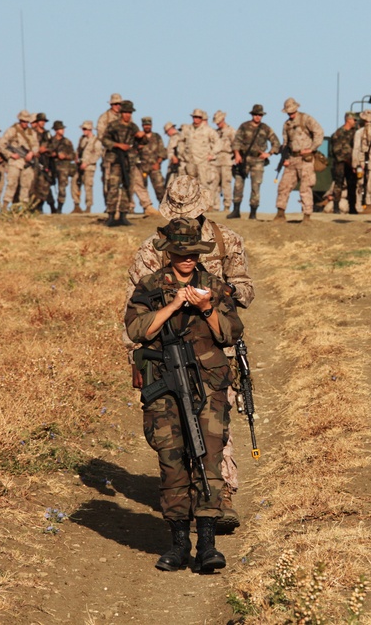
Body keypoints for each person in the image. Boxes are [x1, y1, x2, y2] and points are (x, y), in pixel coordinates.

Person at [124, 174, 255, 534]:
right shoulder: (152, 248)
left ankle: (220, 496)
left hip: (212, 345)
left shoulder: (227, 241)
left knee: (217, 424)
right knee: (171, 430)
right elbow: (133, 306)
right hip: (164, 351)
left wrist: (217, 293)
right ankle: (181, 499)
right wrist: (137, 356)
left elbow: (245, 289)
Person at [275, 97, 323, 223]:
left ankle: (307, 215)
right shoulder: (287, 125)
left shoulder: (306, 119)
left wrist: (311, 149)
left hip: (305, 159)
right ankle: (280, 213)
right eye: (288, 112)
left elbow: (319, 132)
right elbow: (285, 143)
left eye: (292, 112)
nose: (290, 114)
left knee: (305, 187)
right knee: (283, 186)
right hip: (292, 159)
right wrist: (284, 158)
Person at [229, 104, 280, 220]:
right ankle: (236, 210)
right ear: (252, 115)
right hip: (243, 159)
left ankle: (253, 213)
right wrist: (237, 154)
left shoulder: (265, 128)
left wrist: (269, 153)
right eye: (255, 114)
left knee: (256, 186)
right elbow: (236, 141)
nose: (257, 117)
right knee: (238, 184)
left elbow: (276, 143)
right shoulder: (244, 126)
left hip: (258, 160)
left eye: (260, 115)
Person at [101, 100, 143, 226]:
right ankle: (111, 215)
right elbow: (104, 140)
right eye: (125, 112)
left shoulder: (133, 127)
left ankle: (124, 215)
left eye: (129, 112)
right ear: (121, 113)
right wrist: (118, 145)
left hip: (129, 161)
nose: (127, 115)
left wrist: (142, 137)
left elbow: (142, 143)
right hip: (115, 161)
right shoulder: (113, 125)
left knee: (128, 187)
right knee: (113, 187)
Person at [0, 110, 39, 209]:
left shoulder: (31, 132)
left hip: (27, 162)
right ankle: (5, 206)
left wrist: (31, 153)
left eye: (27, 121)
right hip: (15, 162)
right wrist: (11, 155)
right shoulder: (12, 130)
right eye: (23, 121)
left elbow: (36, 145)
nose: (25, 123)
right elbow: (1, 144)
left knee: (26, 185)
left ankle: (24, 208)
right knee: (12, 184)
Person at [327, 112, 358, 214]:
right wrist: (346, 160)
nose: (355, 122)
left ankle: (352, 208)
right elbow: (336, 150)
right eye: (354, 120)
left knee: (352, 185)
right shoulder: (338, 133)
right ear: (348, 120)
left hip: (352, 163)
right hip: (340, 163)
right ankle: (336, 207)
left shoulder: (355, 133)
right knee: (338, 184)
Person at [185, 109, 219, 200]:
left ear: (201, 118)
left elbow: (218, 142)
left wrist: (212, 154)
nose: (196, 119)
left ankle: (207, 203)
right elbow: (182, 142)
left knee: (204, 183)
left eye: (198, 117)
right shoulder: (188, 129)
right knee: (191, 184)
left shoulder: (207, 130)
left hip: (203, 161)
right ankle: (192, 204)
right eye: (194, 117)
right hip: (190, 161)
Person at [74, 120, 103, 213]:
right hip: (79, 166)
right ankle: (76, 205)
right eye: (83, 129)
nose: (83, 131)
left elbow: (97, 155)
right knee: (75, 183)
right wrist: (76, 157)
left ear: (90, 129)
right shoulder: (82, 139)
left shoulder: (96, 141)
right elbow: (78, 150)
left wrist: (87, 163)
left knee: (88, 186)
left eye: (85, 129)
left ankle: (88, 206)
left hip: (89, 167)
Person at [137, 116, 167, 206]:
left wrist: (158, 163)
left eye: (148, 125)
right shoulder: (139, 138)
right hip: (142, 168)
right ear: (142, 126)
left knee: (160, 188)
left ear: (151, 125)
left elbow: (162, 151)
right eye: (145, 125)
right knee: (142, 188)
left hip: (155, 167)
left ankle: (164, 207)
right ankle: (146, 208)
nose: (147, 127)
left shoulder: (157, 137)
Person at [48, 121, 76, 214]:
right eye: (60, 129)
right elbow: (46, 152)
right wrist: (54, 154)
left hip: (64, 167)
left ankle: (60, 207)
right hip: (52, 166)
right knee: (46, 185)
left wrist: (65, 156)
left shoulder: (67, 142)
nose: (63, 130)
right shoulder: (50, 141)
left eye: (63, 128)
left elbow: (73, 155)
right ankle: (51, 205)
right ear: (56, 130)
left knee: (62, 188)